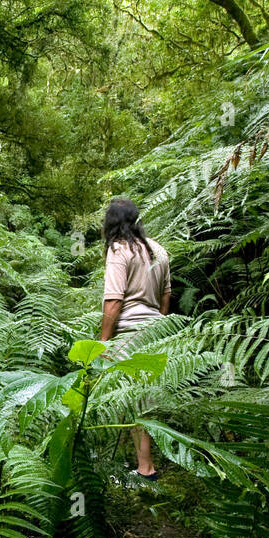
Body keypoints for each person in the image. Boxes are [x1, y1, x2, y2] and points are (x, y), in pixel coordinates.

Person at [97, 197, 170, 481]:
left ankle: (145, 469)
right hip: (157, 331)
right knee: (147, 399)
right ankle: (142, 462)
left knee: (134, 401)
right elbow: (166, 295)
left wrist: (103, 342)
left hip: (128, 335)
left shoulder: (119, 249)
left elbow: (113, 301)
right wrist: (157, 324)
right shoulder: (159, 251)